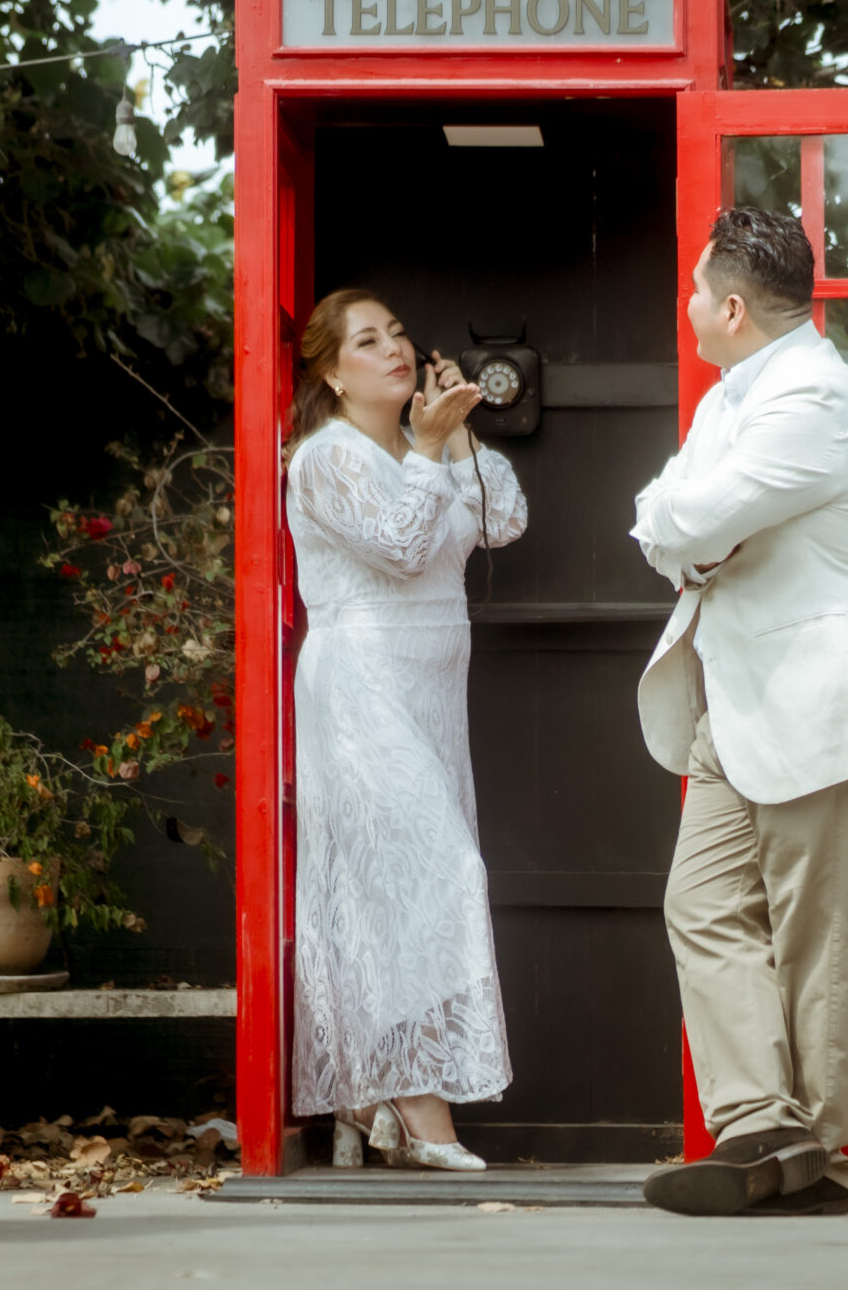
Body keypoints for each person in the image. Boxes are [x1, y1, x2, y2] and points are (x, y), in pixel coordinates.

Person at [628, 207, 848, 1216]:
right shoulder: (731, 397)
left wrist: (693, 538)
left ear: (733, 309)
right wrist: (692, 537)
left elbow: (689, 521)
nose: (687, 305)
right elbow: (662, 518)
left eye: (695, 290)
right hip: (731, 702)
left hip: (815, 706)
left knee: (812, 935)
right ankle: (761, 1121)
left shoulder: (813, 399)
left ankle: (817, 1159)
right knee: (699, 904)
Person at [285, 288, 528, 1172]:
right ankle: (423, 1114)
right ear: (330, 374)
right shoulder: (325, 457)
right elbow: (397, 544)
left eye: (396, 333)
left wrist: (455, 434)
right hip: (359, 687)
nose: (393, 348)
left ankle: (368, 1095)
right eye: (367, 340)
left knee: (398, 894)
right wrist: (427, 449)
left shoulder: (419, 446)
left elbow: (503, 519)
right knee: (436, 876)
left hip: (429, 696)